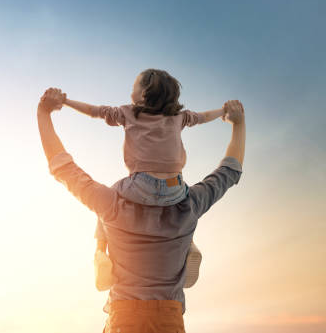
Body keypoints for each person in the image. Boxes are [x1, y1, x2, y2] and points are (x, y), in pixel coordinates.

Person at [37, 87, 245, 333]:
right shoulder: (190, 203)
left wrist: (44, 113)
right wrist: (238, 124)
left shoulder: (111, 203)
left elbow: (63, 167)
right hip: (169, 318)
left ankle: (100, 250)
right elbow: (229, 172)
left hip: (123, 317)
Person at [62, 69, 225, 291]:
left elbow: (94, 111)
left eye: (135, 85)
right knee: (188, 209)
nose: (131, 88)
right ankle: (189, 246)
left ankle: (101, 252)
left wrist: (66, 101)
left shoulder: (128, 113)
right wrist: (223, 111)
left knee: (105, 202)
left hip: (140, 184)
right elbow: (204, 117)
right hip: (175, 188)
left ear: (145, 92)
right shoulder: (179, 117)